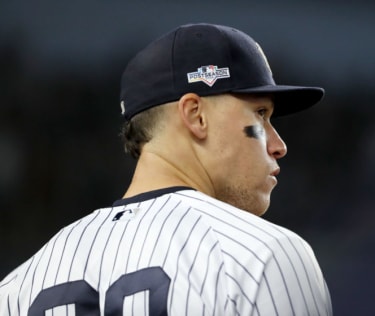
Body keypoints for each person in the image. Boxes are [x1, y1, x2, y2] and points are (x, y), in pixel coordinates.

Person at [0, 23, 332, 315]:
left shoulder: (18, 286)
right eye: (260, 115)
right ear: (196, 115)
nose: (278, 144)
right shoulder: (262, 255)